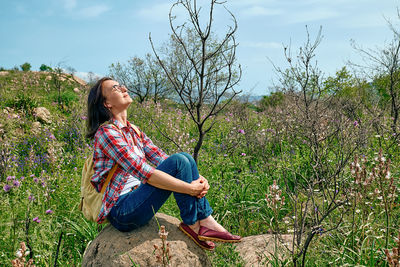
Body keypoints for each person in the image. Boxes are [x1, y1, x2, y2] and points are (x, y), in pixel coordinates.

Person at [86, 77, 241, 250]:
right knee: (180, 160)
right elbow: (146, 174)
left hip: (138, 197)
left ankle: (202, 221)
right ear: (106, 103)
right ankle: (197, 224)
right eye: (115, 88)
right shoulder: (106, 133)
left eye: (121, 85)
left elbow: (163, 159)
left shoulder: (134, 131)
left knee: (185, 159)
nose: (123, 88)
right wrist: (190, 188)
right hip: (122, 210)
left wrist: (198, 178)